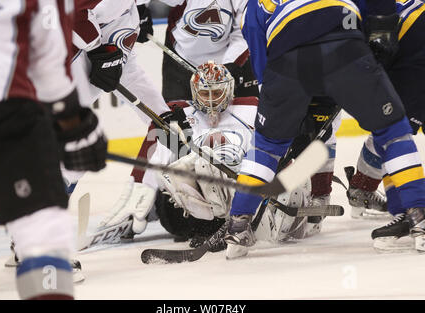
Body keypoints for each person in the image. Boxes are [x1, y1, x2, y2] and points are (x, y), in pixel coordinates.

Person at [224, 0, 425, 259]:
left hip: (286, 62)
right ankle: (418, 215)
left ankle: (238, 224)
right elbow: (373, 12)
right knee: (392, 131)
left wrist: (283, 115)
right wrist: (374, 42)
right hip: (344, 44)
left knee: (265, 147)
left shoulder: (254, 6)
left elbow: (263, 65)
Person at [97, 61, 323, 248]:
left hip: (247, 199)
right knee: (189, 166)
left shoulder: (254, 107)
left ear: (230, 89)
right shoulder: (180, 115)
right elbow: (157, 163)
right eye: (205, 93)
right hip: (192, 218)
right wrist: (142, 187)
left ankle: (254, 220)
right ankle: (206, 225)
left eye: (217, 92)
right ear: (194, 92)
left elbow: (278, 148)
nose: (212, 100)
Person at [0, 0, 107, 299]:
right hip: (4, 112)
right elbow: (50, 68)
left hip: (2, 112)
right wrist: (75, 125)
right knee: (42, 230)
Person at [62, 0, 174, 191]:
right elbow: (70, 10)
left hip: (72, 90)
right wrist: (97, 49)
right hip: (56, 84)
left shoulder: (129, 14)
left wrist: (162, 117)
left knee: (170, 127)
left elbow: (126, 70)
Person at [344, 0, 425, 251]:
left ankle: (412, 215)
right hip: (411, 46)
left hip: (413, 52)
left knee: (393, 133)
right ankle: (366, 190)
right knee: (392, 131)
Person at [150, 0, 260, 101]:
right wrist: (140, 10)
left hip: (229, 58)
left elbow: (247, 28)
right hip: (182, 58)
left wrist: (230, 64)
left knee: (248, 113)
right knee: (176, 117)